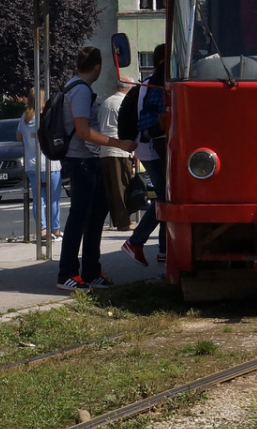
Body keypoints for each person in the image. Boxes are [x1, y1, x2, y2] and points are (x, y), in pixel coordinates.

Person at [57, 46, 134, 291]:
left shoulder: (75, 86)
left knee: (95, 216)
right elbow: (82, 130)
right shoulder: (79, 90)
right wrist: (116, 142)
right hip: (80, 160)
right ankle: (67, 273)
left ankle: (91, 271)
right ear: (98, 67)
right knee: (80, 218)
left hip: (89, 160)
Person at [120, 44, 171, 266]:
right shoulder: (158, 83)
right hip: (153, 145)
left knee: (165, 196)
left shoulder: (145, 84)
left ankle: (163, 249)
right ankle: (137, 241)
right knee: (165, 199)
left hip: (147, 144)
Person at [93, 80, 135, 231]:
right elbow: (129, 127)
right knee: (121, 187)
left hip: (104, 149)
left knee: (111, 188)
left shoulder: (106, 102)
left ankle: (119, 220)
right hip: (120, 148)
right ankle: (124, 222)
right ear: (130, 88)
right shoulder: (125, 103)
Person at [16, 92, 58, 239]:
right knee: (53, 198)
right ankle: (55, 229)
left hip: (32, 164)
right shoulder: (47, 115)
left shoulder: (25, 117)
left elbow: (19, 136)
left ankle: (42, 229)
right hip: (51, 163)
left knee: (38, 199)